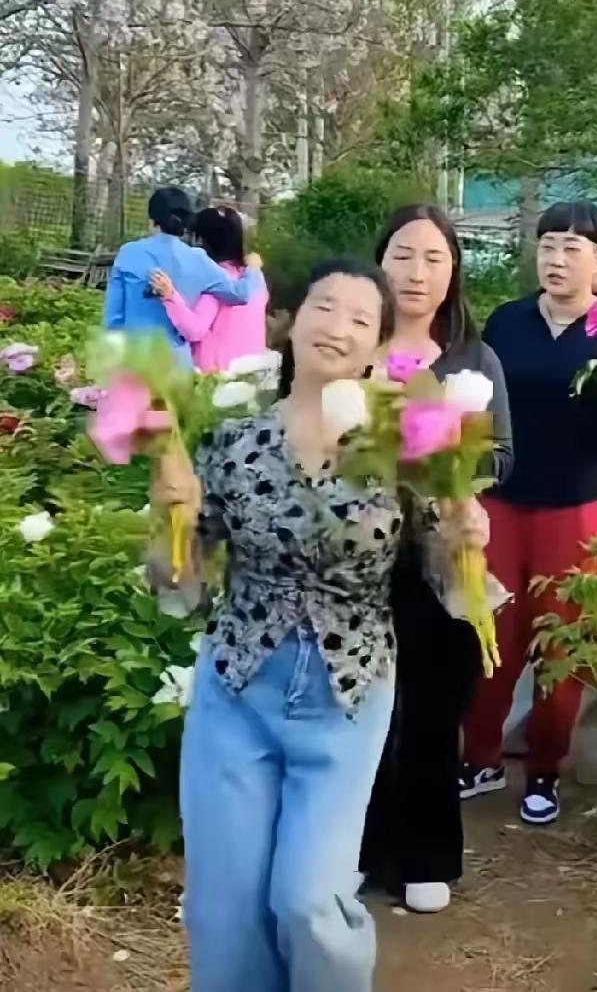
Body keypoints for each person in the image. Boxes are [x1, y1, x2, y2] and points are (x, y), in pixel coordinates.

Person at [152, 257, 489, 992]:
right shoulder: (234, 442)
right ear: (290, 320)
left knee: (309, 902)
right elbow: (181, 588)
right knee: (225, 907)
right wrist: (171, 520)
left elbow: (449, 583)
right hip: (237, 689)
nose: (338, 327)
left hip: (348, 693)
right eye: (324, 307)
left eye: (360, 318)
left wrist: (464, 532)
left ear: (378, 346)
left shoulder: (403, 446)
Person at [461, 201, 597, 826]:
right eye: (548, 245)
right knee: (490, 634)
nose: (556, 259)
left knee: (563, 644)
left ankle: (545, 771)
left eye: (573, 248)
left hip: (580, 509)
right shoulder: (507, 322)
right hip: (503, 503)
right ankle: (481, 756)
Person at [360, 205, 512, 915]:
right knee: (361, 709)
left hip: (443, 554)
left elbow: (502, 455)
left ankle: (425, 857)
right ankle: (357, 850)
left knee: (430, 707)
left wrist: (455, 470)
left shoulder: (473, 360)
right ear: (379, 262)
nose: (416, 273)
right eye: (402, 255)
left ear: (454, 272)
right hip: (354, 559)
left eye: (434, 258)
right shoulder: (353, 343)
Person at [103, 188, 261, 366]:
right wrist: (253, 269)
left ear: (151, 219)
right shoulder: (198, 260)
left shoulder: (128, 253)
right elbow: (240, 295)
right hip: (176, 365)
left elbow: (114, 319)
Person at [150, 205, 268, 372]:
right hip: (252, 371)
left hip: (217, 376)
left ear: (202, 241)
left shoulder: (213, 281)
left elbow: (194, 330)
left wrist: (170, 296)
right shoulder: (255, 276)